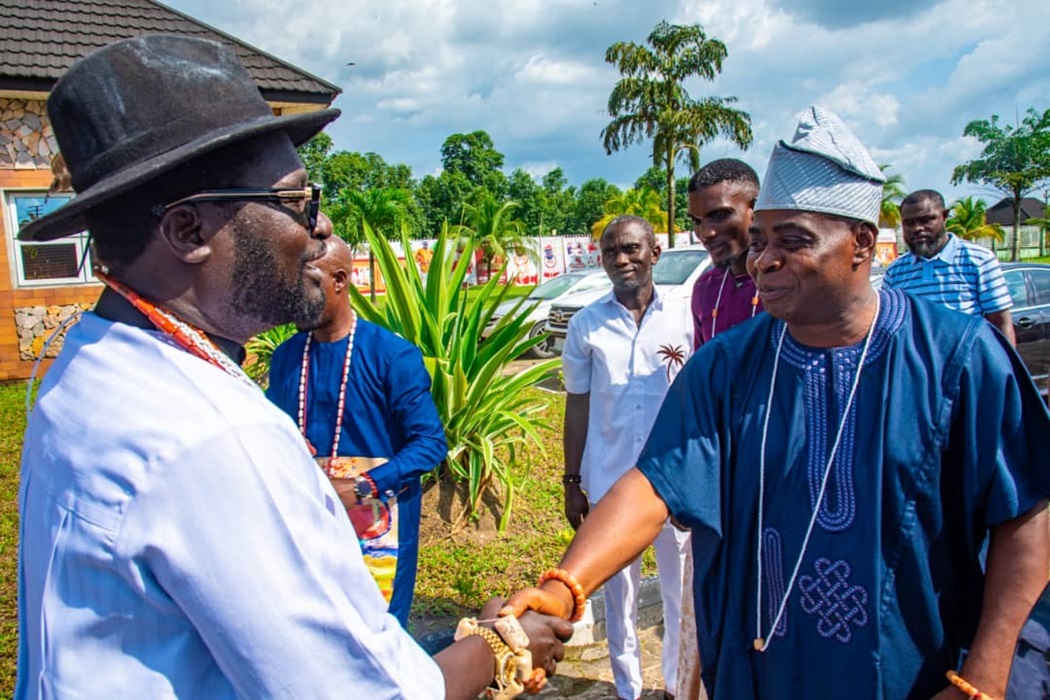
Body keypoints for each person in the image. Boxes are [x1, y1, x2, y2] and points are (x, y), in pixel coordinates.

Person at [16, 35, 570, 699]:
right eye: (296, 201)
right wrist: (493, 642)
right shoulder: (210, 437)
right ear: (190, 232)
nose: (319, 226)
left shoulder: (87, 368)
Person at [502, 106, 1050, 700]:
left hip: (910, 676)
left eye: (793, 242)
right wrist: (563, 587)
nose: (764, 260)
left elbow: (1025, 516)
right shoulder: (727, 366)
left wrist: (985, 675)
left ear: (861, 242)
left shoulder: (960, 358)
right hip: (758, 671)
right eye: (760, 240)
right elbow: (653, 486)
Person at [267, 235, 447, 628]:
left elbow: (430, 444)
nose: (294, 295)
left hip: (379, 526)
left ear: (340, 280)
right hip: (306, 521)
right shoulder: (286, 357)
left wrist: (363, 486)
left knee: (377, 634)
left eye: (307, 282)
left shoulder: (391, 356)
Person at [562, 215, 692, 700]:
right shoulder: (586, 324)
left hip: (674, 480)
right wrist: (572, 480)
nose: (622, 259)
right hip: (610, 482)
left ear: (654, 253)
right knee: (620, 595)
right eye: (612, 251)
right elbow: (578, 402)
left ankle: (680, 685)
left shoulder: (685, 317)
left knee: (681, 591)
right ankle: (628, 688)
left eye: (632, 248)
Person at [883, 189, 1016, 345]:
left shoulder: (979, 260)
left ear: (944, 217)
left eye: (926, 220)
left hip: (968, 364)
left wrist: (1007, 367)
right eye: (909, 223)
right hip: (916, 367)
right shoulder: (895, 272)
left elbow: (1001, 323)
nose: (917, 228)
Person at [687, 158, 764, 350]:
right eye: (697, 221)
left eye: (719, 216)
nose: (706, 233)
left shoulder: (791, 283)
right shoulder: (705, 288)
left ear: (755, 208)